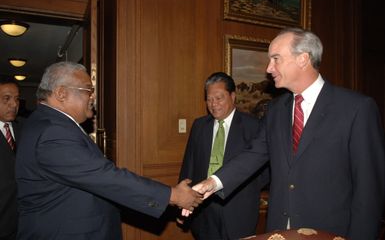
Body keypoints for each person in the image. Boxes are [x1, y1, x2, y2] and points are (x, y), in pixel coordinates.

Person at [187, 28, 385, 240]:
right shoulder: (275, 110)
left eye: (276, 59)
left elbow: (369, 191)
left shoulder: (355, 108)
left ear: (303, 59)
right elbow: (253, 155)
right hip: (279, 230)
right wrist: (214, 182)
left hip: (330, 231)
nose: (268, 68)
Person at [15, 61, 202, 239]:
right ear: (62, 93)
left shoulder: (47, 122)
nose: (93, 97)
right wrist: (173, 195)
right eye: (88, 90)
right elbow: (104, 176)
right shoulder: (53, 132)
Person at [178, 72, 269, 239]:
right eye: (209, 99)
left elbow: (263, 172)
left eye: (219, 98)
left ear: (232, 96)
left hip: (238, 210)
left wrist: (247, 192)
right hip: (203, 210)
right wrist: (182, 201)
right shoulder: (199, 126)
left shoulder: (253, 126)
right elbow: (189, 166)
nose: (213, 104)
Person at [0, 77, 21, 240]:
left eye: (16, 99)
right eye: (6, 99)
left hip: (23, 222)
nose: (13, 105)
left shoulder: (26, 128)